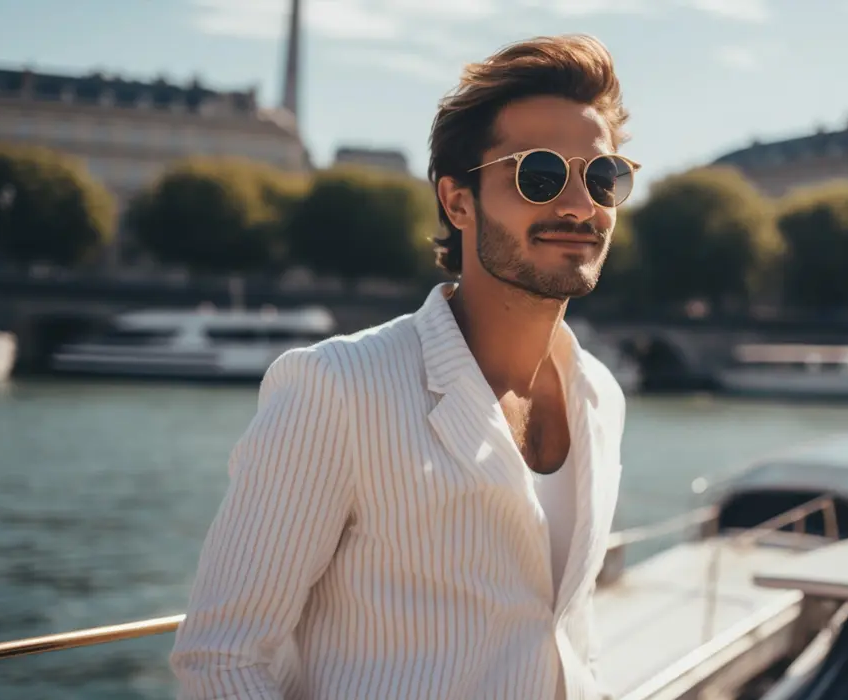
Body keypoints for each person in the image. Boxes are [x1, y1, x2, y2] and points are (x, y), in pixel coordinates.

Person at [170, 33, 637, 700]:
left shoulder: (601, 395)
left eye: (603, 177)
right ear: (457, 202)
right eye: (538, 174)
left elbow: (567, 634)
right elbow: (220, 661)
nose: (578, 205)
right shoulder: (337, 389)